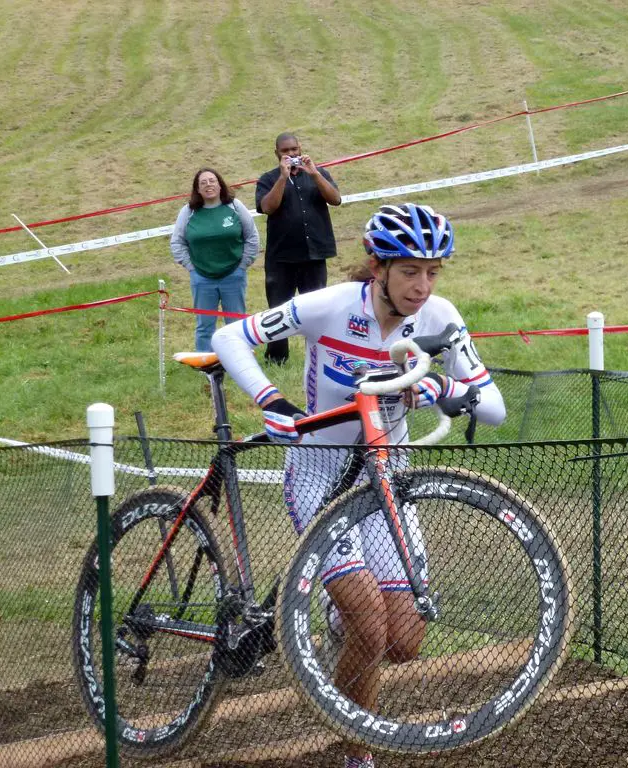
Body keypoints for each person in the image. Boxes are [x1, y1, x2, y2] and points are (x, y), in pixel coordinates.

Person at [212, 203, 505, 768]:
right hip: (319, 472)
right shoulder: (330, 306)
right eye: (410, 271)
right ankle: (356, 755)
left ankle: (337, 616)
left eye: (432, 272)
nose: (422, 286)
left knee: (404, 642)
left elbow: (492, 408)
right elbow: (231, 338)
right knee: (368, 630)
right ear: (378, 267)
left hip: (383, 483)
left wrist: (442, 385)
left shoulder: (441, 317)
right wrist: (270, 401)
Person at [255, 132, 342, 365]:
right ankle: (277, 359)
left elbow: (336, 199)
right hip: (281, 258)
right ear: (277, 154)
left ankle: (318, 354)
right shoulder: (267, 179)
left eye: (294, 149)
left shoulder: (318, 173)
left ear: (300, 148)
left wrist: (314, 174)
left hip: (313, 255)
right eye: (286, 151)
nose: (291, 154)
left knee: (316, 309)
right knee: (278, 311)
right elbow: (267, 207)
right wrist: (282, 179)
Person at [170, 168, 259, 352]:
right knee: (204, 326)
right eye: (203, 183)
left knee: (235, 323)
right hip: (202, 279)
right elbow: (177, 242)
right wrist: (191, 268)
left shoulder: (235, 206)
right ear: (197, 189)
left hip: (233, 276)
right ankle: (206, 365)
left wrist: (242, 266)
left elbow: (252, 237)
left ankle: (238, 358)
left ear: (220, 185)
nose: (208, 185)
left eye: (212, 181)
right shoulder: (188, 212)